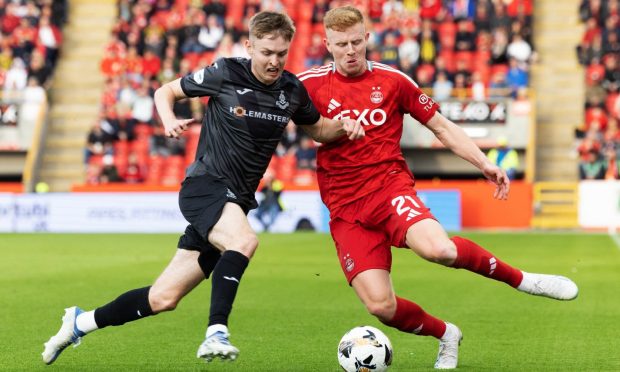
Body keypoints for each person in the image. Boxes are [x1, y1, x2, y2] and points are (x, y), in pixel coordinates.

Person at [41, 11, 364, 366]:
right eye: (266, 52)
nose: (274, 61)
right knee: (243, 242)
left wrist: (345, 125)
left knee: (163, 297)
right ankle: (216, 332)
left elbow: (318, 129)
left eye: (281, 54)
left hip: (234, 202)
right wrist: (168, 120)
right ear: (249, 46)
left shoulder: (292, 89)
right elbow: (166, 91)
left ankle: (79, 323)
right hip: (205, 186)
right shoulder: (225, 72)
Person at [297, 6, 578, 370]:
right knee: (381, 306)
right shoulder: (307, 84)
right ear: (327, 44)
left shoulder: (394, 81)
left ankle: (524, 280)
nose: (350, 51)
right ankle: (446, 334)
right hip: (346, 209)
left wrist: (485, 163)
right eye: (341, 45)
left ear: (368, 38)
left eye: (356, 42)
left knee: (440, 249)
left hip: (389, 190)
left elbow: (442, 127)